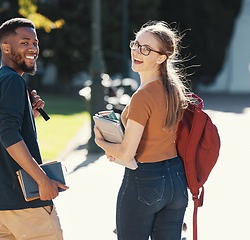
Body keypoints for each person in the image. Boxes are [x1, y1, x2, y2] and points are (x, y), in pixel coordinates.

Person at [94, 21, 191, 240]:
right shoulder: (174, 90)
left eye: (146, 49)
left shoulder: (142, 97)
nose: (137, 52)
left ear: (161, 57)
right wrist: (116, 151)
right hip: (176, 180)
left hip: (145, 181)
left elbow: (128, 154)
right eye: (136, 45)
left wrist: (101, 141)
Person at [0, 18, 68, 240]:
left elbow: (3, 131)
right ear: (5, 47)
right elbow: (8, 135)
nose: (33, 49)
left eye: (35, 43)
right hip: (25, 202)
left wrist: (30, 115)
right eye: (24, 42)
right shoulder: (12, 81)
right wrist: (42, 180)